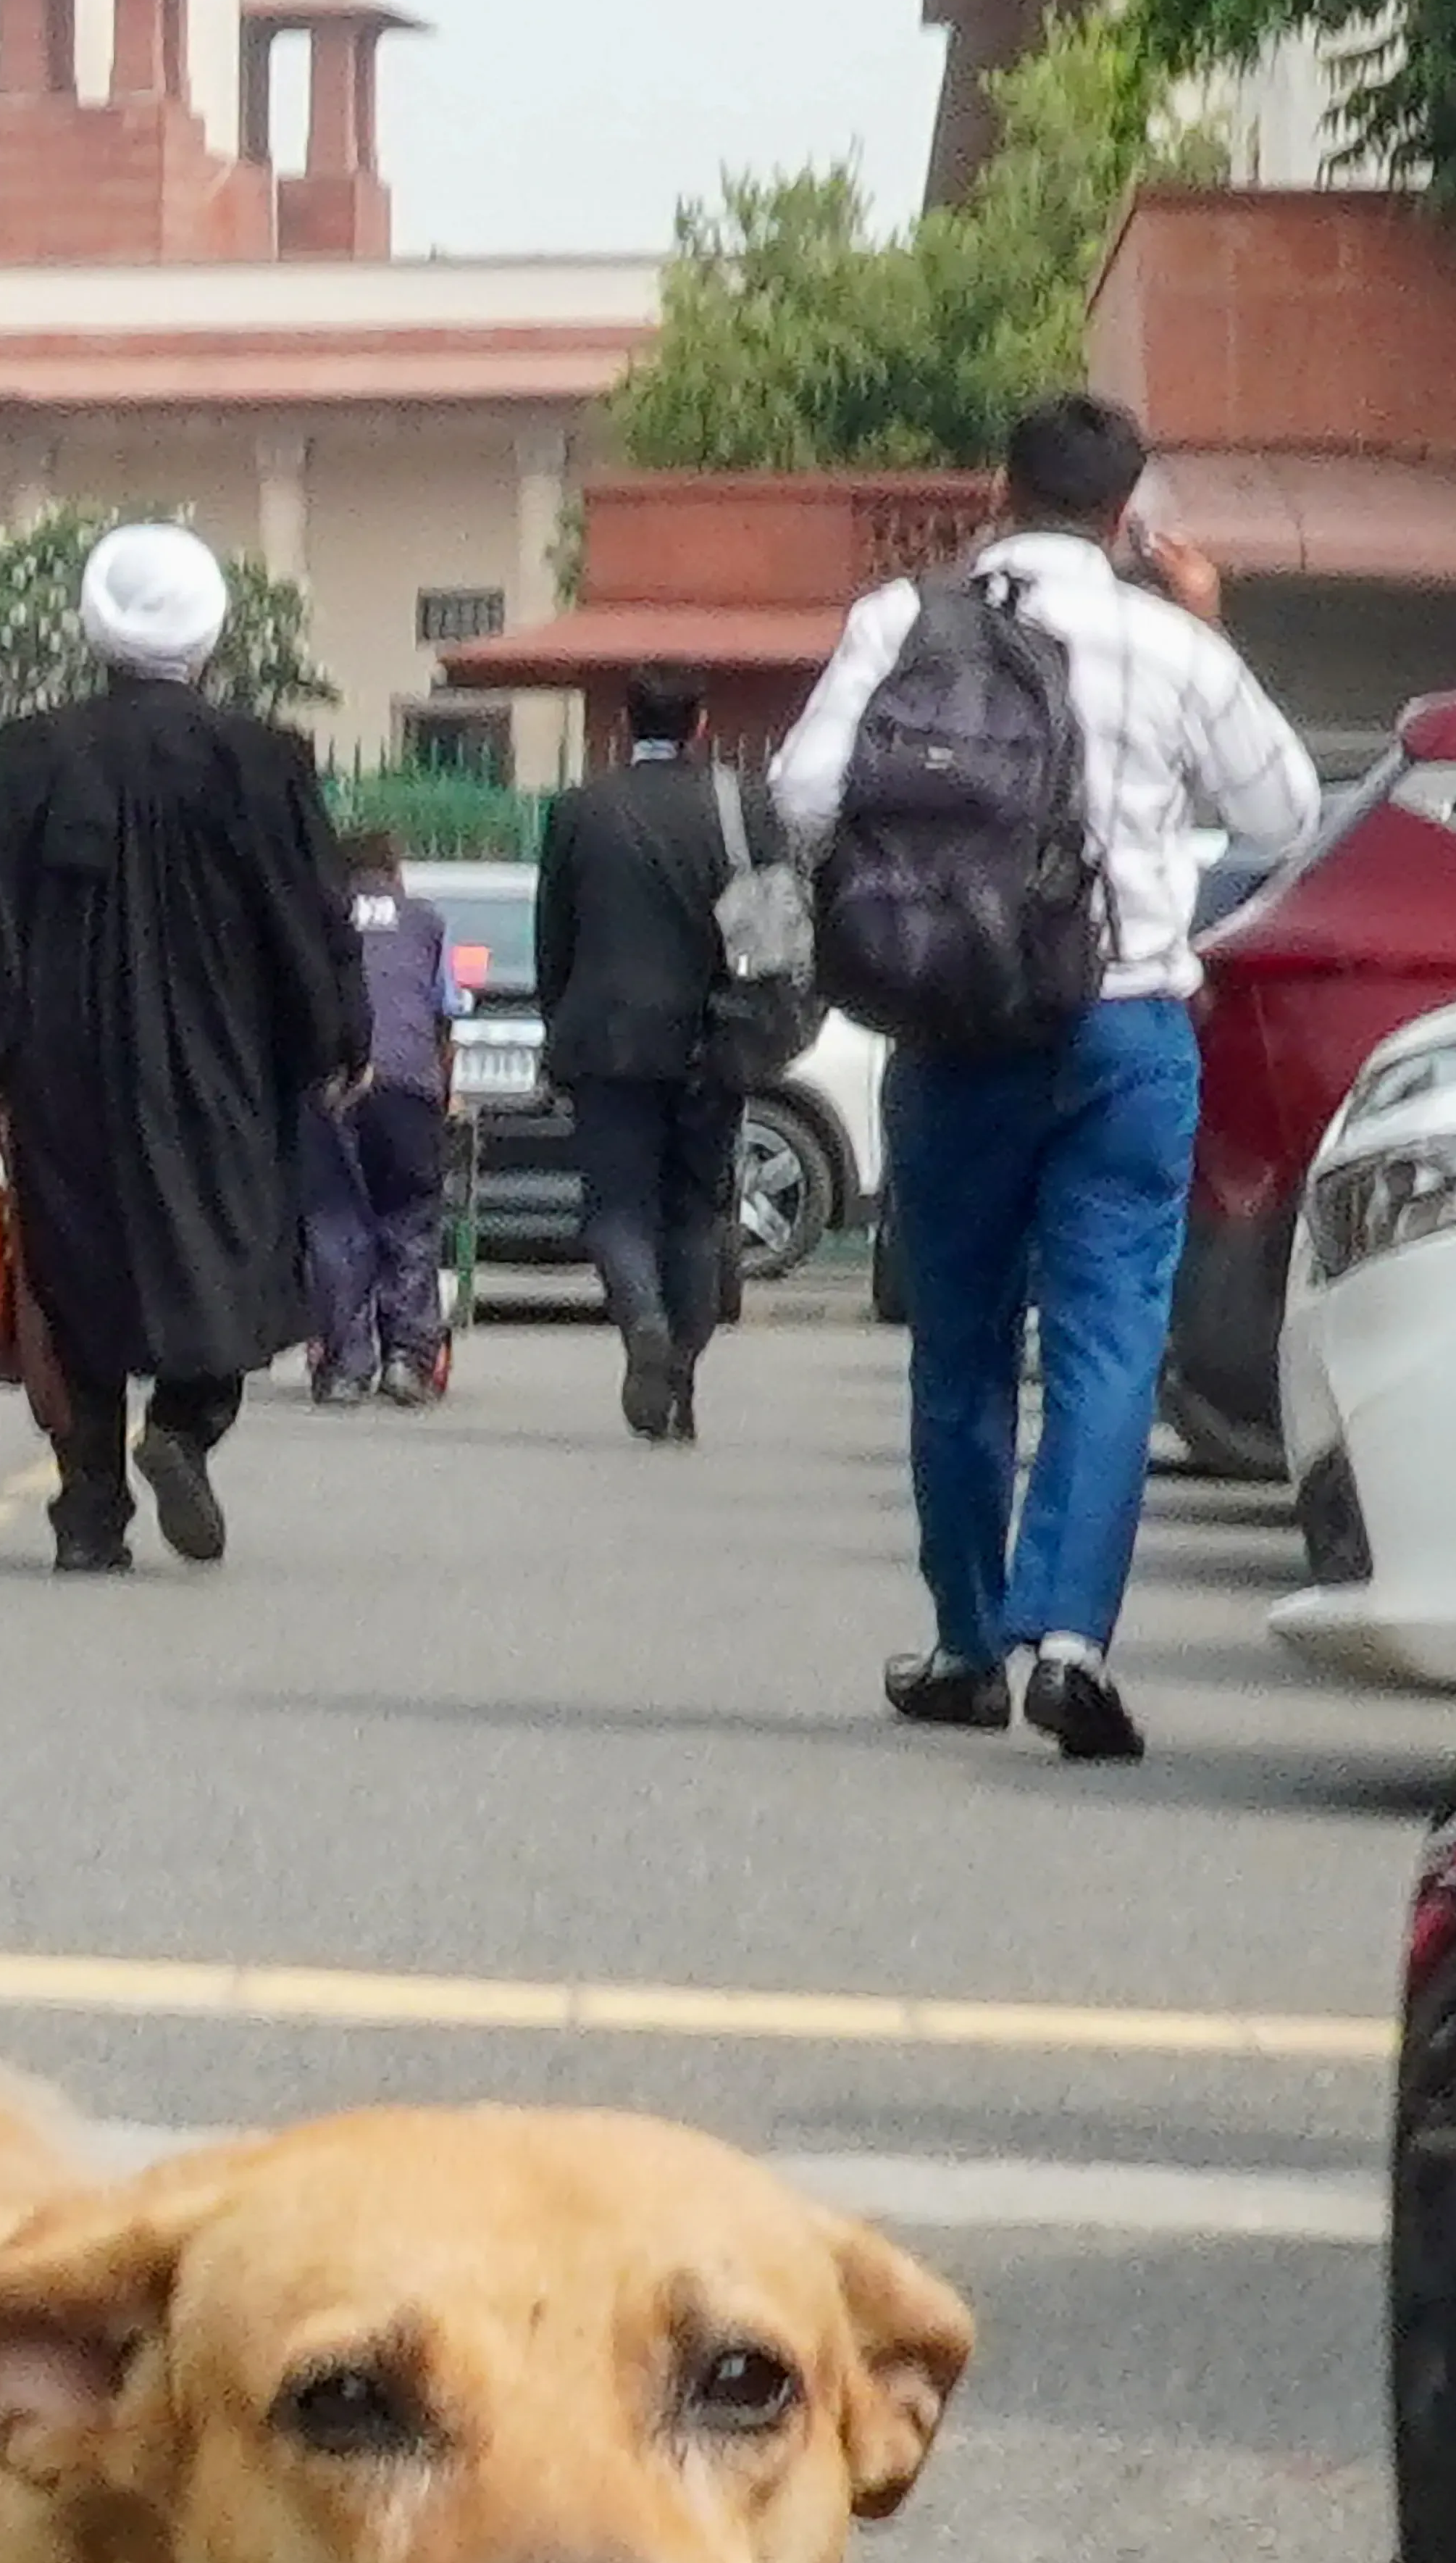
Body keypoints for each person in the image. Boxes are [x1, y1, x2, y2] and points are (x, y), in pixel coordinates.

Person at [780, 389, 1318, 1765]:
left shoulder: (905, 620)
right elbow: (1287, 810)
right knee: (1108, 1335)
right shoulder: (1167, 642)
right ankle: (1069, 1636)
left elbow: (801, 793)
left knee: (959, 1338)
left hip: (956, 1024)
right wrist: (1204, 628)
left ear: (995, 487)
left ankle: (965, 1642)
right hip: (1127, 1024)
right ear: (1126, 512)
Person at [0, 522, 365, 1575]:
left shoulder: (32, 754)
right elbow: (312, 913)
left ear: (96, 630)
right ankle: (184, 1423)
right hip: (225, 1057)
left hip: (67, 1062)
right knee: (228, 1248)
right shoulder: (263, 759)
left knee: (78, 1269)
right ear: (213, 633)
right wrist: (339, 1037)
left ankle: (91, 1506)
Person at [532, 662, 746, 1441]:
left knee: (617, 1207)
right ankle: (680, 1373)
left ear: (624, 727)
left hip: (606, 1038)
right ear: (699, 725)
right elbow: (769, 930)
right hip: (710, 1038)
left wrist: (558, 1030)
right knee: (694, 1211)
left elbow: (552, 934)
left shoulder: (580, 810)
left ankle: (644, 1325)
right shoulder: (734, 809)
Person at [299, 822, 453, 1404]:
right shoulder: (425, 921)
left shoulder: (315, 918)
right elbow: (443, 1012)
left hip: (334, 1082)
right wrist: (442, 1090)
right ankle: (408, 1361)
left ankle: (345, 1365)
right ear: (394, 870)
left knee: (336, 1222)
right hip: (408, 1085)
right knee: (409, 1218)